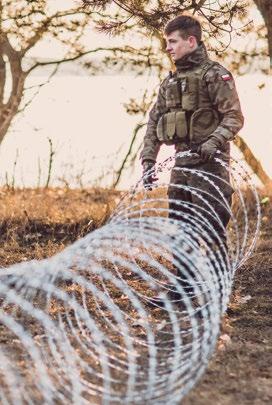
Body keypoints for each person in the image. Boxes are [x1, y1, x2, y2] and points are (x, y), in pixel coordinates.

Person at [140, 14, 244, 305]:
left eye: (172, 42)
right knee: (180, 228)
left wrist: (213, 141)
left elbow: (235, 117)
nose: (168, 48)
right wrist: (149, 160)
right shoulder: (170, 81)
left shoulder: (214, 74)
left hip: (210, 167)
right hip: (181, 165)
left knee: (211, 229)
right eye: (166, 42)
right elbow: (155, 122)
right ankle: (183, 292)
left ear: (191, 41)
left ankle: (219, 297)